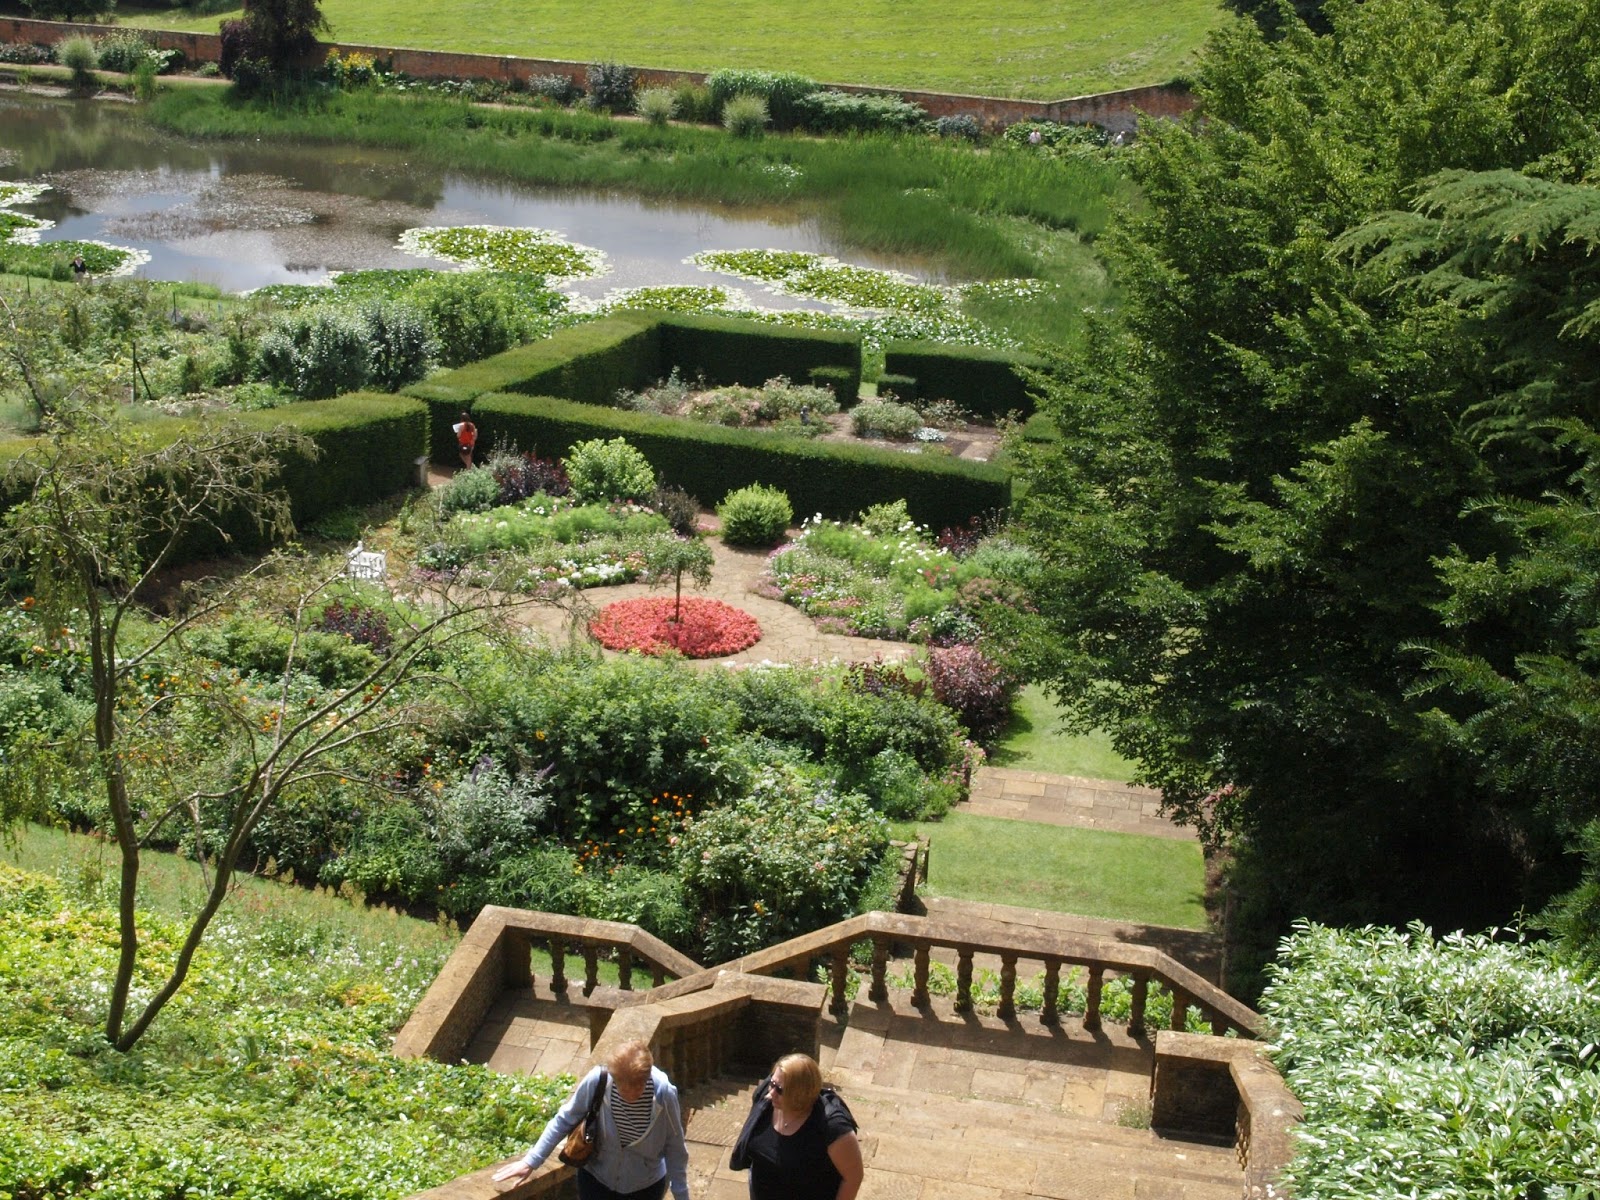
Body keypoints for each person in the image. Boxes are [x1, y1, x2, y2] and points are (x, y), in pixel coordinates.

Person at [492, 1040, 690, 1200]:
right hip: (596, 1180)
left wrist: (681, 1195)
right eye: (624, 1088)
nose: (630, 1094)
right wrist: (531, 1161)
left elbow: (675, 1147)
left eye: (637, 1087)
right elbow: (564, 1119)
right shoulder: (599, 1080)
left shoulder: (663, 1094)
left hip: (644, 1186)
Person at [729, 1053, 863, 1200]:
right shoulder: (767, 1099)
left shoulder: (832, 1127)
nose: (770, 1093)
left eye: (780, 1089)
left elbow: (853, 1177)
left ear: (800, 1093)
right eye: (772, 1083)